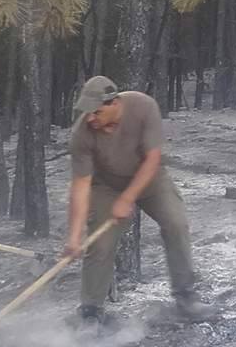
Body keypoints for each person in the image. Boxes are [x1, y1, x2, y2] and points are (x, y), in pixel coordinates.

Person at [65, 76, 210, 325]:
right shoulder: (82, 133)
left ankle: (186, 296)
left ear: (115, 103)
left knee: (176, 223)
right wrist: (74, 236)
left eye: (97, 112)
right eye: (87, 113)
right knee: (100, 242)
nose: (90, 118)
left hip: (150, 177)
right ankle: (91, 312)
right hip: (106, 186)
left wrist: (128, 198)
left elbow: (153, 159)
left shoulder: (144, 107)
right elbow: (81, 187)